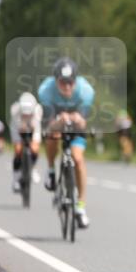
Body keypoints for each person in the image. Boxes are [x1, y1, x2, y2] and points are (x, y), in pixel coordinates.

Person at [39, 57, 95, 228]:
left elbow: (84, 122)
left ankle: (80, 207)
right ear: (55, 80)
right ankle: (50, 170)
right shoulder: (45, 91)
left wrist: (77, 118)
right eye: (63, 82)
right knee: (52, 136)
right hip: (56, 120)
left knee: (78, 159)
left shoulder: (86, 91)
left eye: (71, 82)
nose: (67, 86)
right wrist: (59, 121)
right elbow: (49, 124)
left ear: (75, 80)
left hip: (76, 122)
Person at [9, 92, 43, 192]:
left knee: (35, 149)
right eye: (25, 113)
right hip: (17, 128)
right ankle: (16, 178)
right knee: (18, 150)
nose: (27, 115)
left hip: (34, 127)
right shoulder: (15, 110)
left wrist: (31, 130)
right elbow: (18, 127)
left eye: (29, 113)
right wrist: (22, 126)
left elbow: (36, 126)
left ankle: (33, 169)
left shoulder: (38, 110)